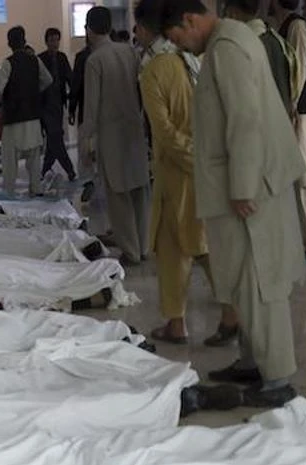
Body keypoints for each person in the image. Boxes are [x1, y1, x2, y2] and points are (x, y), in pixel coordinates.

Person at [161, 0, 306, 407]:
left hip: (251, 189)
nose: (180, 46)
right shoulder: (229, 40)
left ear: (190, 19)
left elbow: (245, 120)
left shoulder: (227, 48)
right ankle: (253, 361)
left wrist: (243, 186)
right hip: (244, 185)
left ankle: (277, 379)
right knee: (243, 282)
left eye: (177, 37)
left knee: (259, 283)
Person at [134, 0, 211, 343]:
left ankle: (178, 322)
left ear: (145, 29)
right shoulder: (193, 59)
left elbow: (163, 131)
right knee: (202, 243)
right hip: (206, 166)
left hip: (176, 169)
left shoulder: (154, 69)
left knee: (174, 248)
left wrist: (190, 156)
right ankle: (231, 313)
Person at [82, 6, 151, 265]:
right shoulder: (129, 52)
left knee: (118, 196)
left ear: (89, 30)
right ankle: (144, 246)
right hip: (134, 130)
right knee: (139, 192)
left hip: (111, 135)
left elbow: (91, 109)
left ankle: (130, 250)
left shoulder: (95, 61)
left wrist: (87, 142)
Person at [274, 0, 306, 254]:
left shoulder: (296, 27)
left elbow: (299, 70)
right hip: (295, 111)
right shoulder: (288, 25)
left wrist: (291, 107)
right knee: (294, 180)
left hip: (299, 114)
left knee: (301, 179)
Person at [0, 26, 53, 197]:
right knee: (34, 157)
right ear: (24, 40)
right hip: (33, 115)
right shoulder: (35, 60)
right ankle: (36, 188)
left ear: (9, 44)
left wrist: (3, 101)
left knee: (10, 160)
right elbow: (48, 79)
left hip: (13, 118)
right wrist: (34, 91)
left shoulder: (8, 63)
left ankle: (9, 191)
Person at [38, 28, 77, 182]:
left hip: (58, 104)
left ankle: (44, 170)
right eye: (52, 40)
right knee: (55, 136)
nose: (55, 43)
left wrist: (73, 99)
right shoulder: (41, 59)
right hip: (44, 105)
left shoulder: (62, 58)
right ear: (46, 41)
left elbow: (70, 78)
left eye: (57, 40)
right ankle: (69, 169)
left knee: (53, 138)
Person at [69, 37, 96, 202]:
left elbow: (76, 83)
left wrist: (72, 108)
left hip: (86, 109)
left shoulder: (82, 57)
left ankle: (88, 181)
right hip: (109, 112)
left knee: (85, 147)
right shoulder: (117, 53)